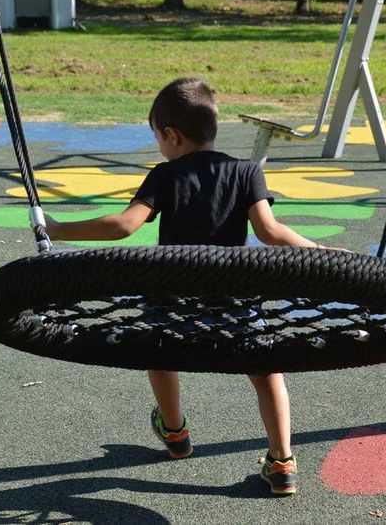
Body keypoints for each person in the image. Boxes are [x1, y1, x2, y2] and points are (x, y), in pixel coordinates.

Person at [43, 77, 328, 496]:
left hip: (173, 301)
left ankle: (175, 432)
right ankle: (282, 460)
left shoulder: (165, 175)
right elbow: (270, 232)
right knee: (266, 369)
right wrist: (321, 252)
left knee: (158, 350)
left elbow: (125, 226)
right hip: (232, 300)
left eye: (158, 137)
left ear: (172, 135)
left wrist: (60, 228)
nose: (159, 145)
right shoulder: (246, 171)